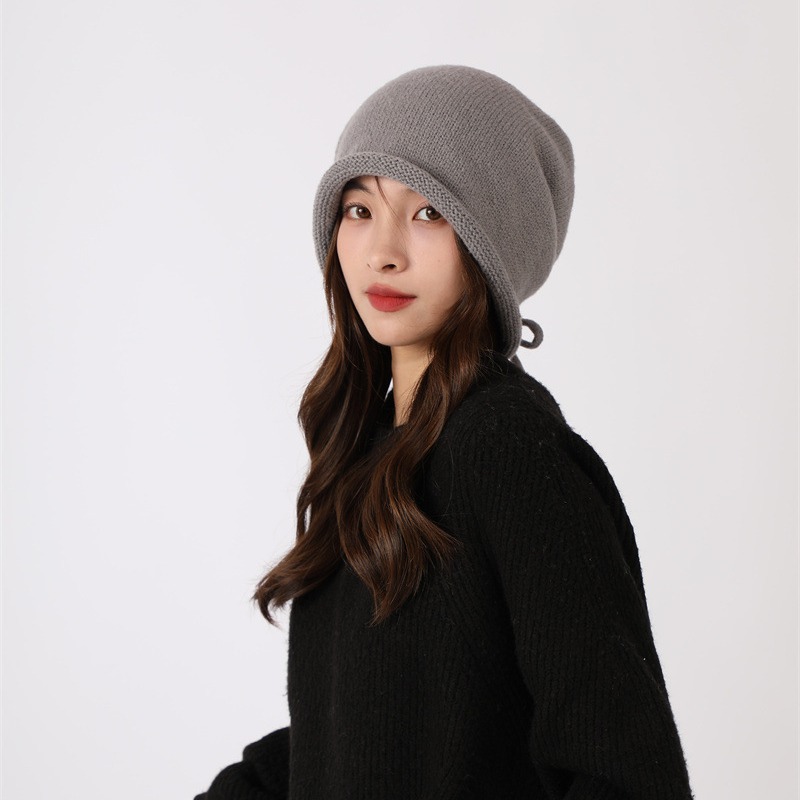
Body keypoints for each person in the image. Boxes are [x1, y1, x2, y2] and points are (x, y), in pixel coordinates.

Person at [194, 65, 694, 799]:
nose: (382, 251)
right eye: (359, 208)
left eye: (429, 212)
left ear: (494, 242)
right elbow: (373, 728)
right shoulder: (368, 449)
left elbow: (624, 773)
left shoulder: (508, 449)